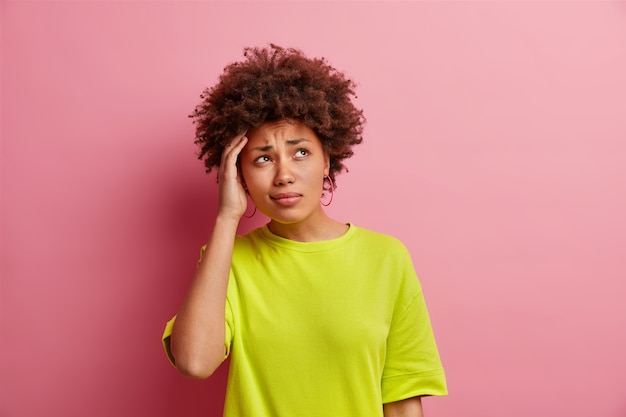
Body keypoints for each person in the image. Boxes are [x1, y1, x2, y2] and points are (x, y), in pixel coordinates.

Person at [162, 44, 447, 417]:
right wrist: (226, 216)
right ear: (239, 174)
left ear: (327, 158)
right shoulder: (227, 262)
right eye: (263, 158)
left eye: (300, 153)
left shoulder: (386, 258)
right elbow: (195, 362)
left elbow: (402, 398)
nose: (284, 175)